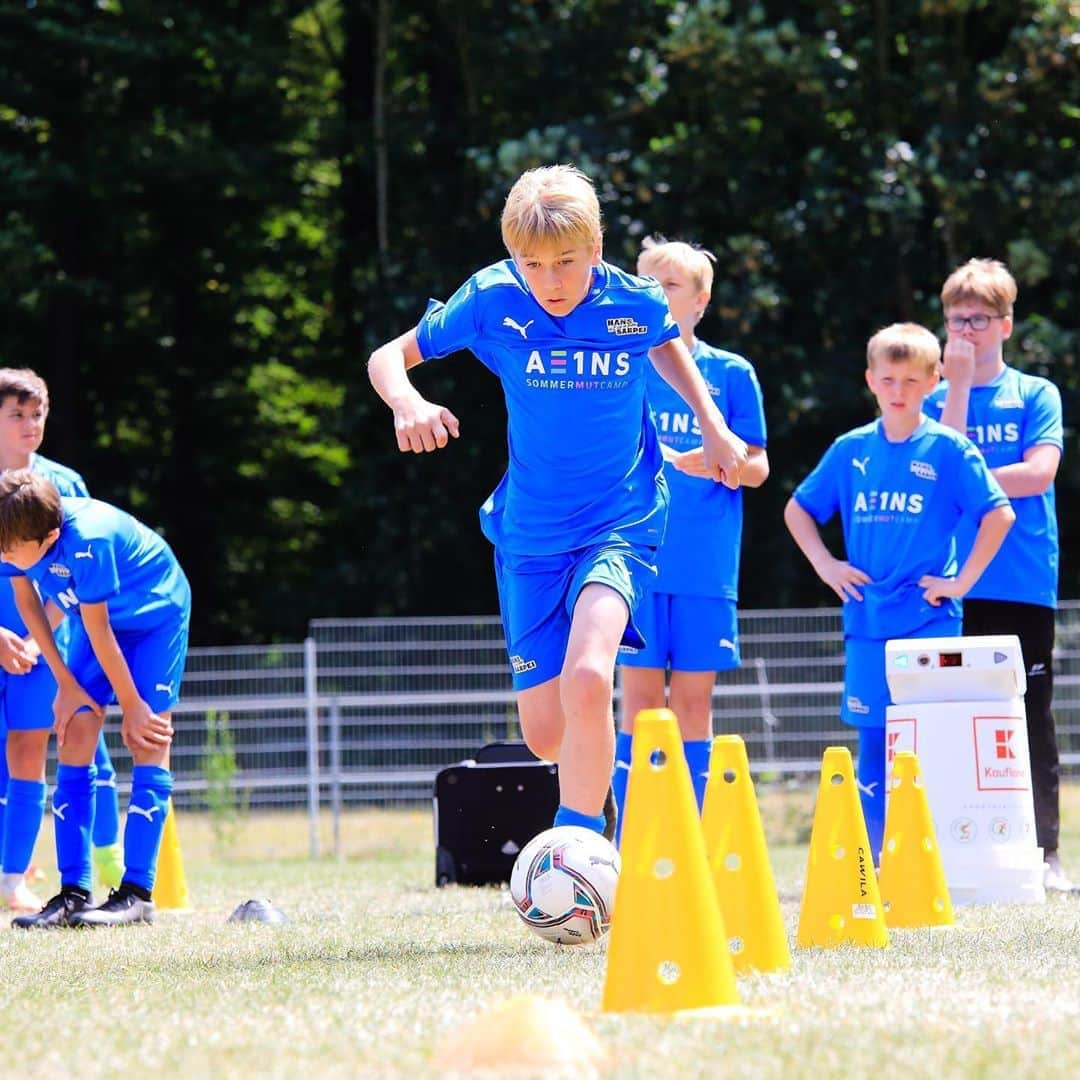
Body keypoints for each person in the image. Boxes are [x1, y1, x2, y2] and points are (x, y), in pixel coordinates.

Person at [368, 165, 749, 840]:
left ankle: (577, 847)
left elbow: (663, 342)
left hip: (621, 520)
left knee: (589, 675)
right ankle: (589, 790)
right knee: (546, 735)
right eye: (532, 264)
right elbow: (388, 358)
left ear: (595, 250)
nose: (550, 282)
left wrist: (715, 427)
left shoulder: (630, 301)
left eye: (566, 263)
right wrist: (409, 402)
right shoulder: (491, 297)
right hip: (531, 534)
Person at [784, 322, 1014, 858]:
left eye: (911, 380)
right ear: (870, 380)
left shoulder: (949, 449)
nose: (898, 389)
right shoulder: (851, 450)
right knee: (871, 743)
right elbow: (799, 508)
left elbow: (998, 515)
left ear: (935, 381)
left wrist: (961, 582)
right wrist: (825, 564)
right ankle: (877, 861)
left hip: (930, 620)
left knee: (929, 744)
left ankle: (935, 858)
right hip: (867, 621)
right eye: (888, 378)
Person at [613, 239, 769, 842]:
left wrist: (718, 459)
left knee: (693, 708)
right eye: (647, 281)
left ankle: (693, 840)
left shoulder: (731, 373)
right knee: (641, 707)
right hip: (635, 563)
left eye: (671, 285)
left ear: (701, 301)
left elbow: (757, 467)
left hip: (705, 570)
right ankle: (634, 839)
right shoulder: (620, 363)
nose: (657, 292)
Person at [928, 258, 1075, 893]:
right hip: (953, 582)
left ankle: (1046, 851)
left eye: (979, 319)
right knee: (949, 717)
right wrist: (955, 389)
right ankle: (958, 848)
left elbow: (1039, 473)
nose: (966, 331)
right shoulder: (933, 397)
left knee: (1031, 714)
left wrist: (975, 486)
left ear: (1006, 325)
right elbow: (938, 473)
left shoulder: (1034, 393)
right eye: (956, 319)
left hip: (1020, 580)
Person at [0, 469, 191, 927]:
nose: (2, 555)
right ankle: (72, 893)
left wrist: (132, 705)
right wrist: (65, 685)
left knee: (148, 739)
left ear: (48, 537)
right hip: (96, 625)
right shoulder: (11, 531)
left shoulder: (90, 541)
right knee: (74, 731)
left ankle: (138, 893)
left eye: (8, 550)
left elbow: (102, 629)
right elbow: (29, 606)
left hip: (152, 618)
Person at [0, 369, 122, 916]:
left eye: (38, 413)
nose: (30, 425)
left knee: (33, 751)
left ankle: (14, 883)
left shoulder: (65, 483)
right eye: (17, 414)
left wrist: (30, 635)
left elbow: (77, 571)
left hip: (42, 650)